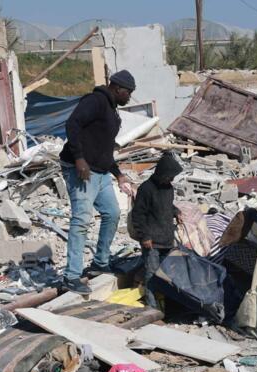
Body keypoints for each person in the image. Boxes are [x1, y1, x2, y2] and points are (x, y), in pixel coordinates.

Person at [58, 70, 137, 294]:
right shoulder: (95, 101)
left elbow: (104, 150)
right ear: (117, 88)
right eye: (128, 92)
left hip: (100, 172)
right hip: (81, 170)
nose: (129, 97)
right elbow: (72, 124)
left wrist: (118, 174)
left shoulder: (112, 110)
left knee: (112, 213)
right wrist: (79, 158)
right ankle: (71, 276)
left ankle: (100, 263)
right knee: (82, 220)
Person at [131, 154, 182, 307]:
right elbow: (138, 215)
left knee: (167, 274)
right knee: (152, 275)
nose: (171, 179)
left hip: (167, 239)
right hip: (152, 242)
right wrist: (145, 236)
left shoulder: (168, 188)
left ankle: (167, 306)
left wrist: (176, 212)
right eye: (169, 176)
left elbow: (167, 206)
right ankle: (152, 307)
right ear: (162, 174)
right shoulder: (146, 189)